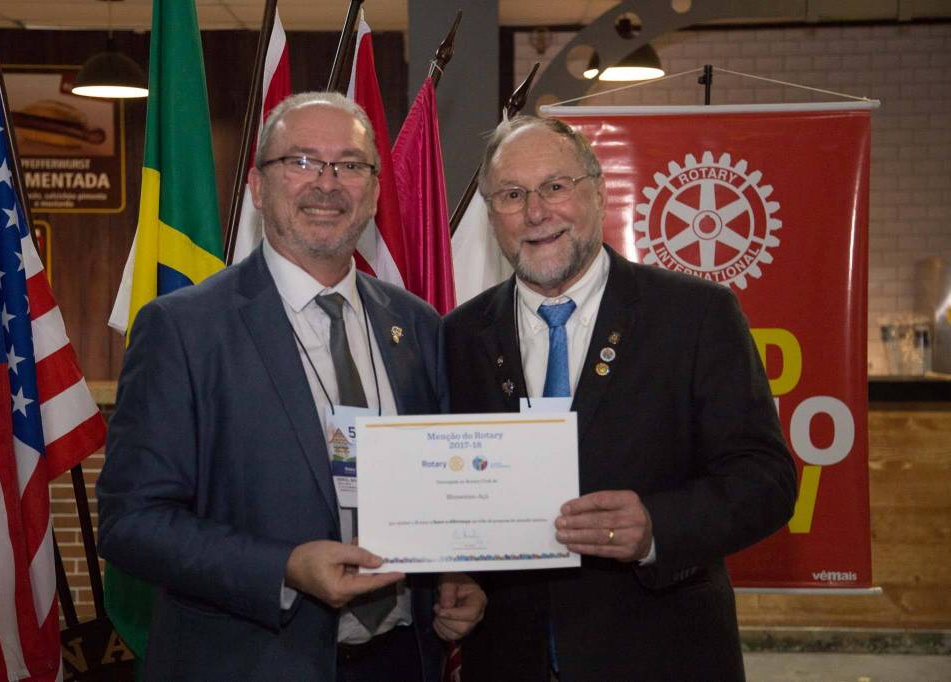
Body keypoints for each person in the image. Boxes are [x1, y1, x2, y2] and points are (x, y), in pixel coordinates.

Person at [97, 92, 485, 682]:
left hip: (402, 660)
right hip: (250, 664)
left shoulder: (416, 325)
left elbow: (437, 486)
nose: (326, 184)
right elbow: (131, 522)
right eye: (301, 161)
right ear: (258, 186)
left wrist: (456, 574)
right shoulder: (183, 328)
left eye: (349, 165)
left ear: (374, 192)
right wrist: (283, 568)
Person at [443, 115, 796, 681]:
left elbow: (767, 479)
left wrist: (657, 527)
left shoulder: (696, 315)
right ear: (491, 215)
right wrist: (457, 575)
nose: (535, 212)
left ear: (599, 192)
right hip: (509, 659)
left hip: (663, 658)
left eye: (555, 186)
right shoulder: (459, 336)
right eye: (512, 195)